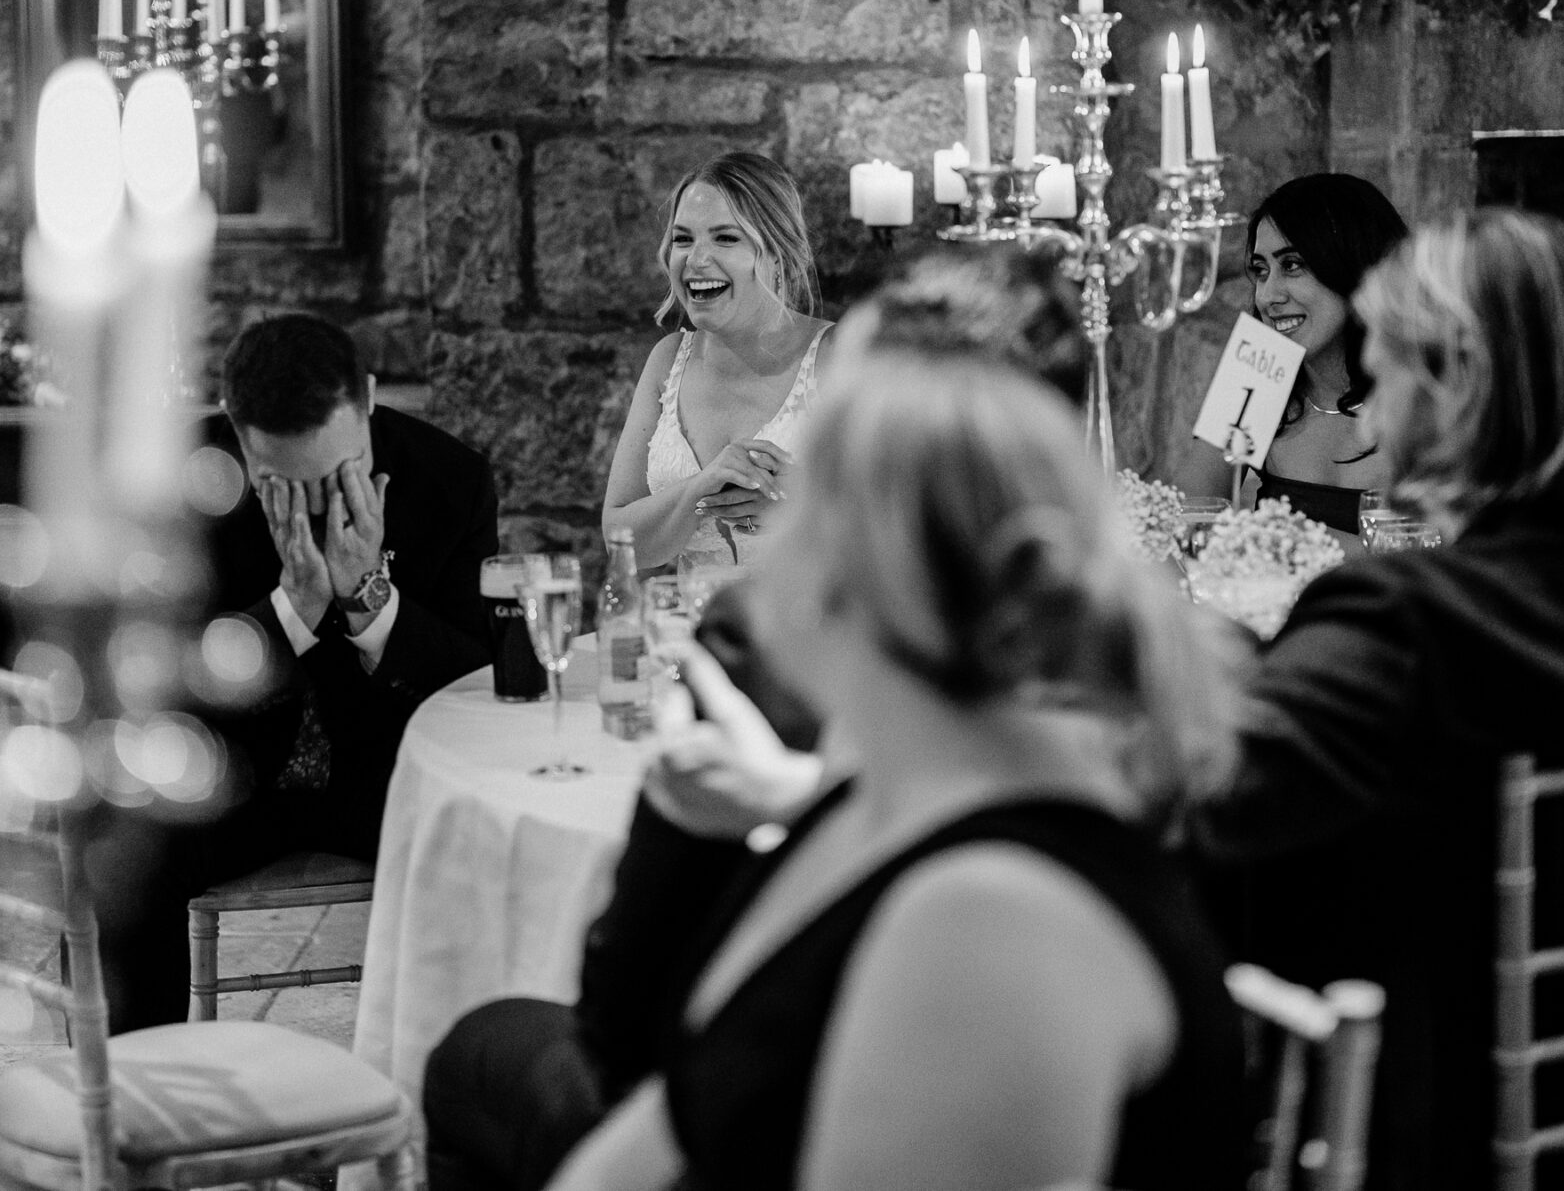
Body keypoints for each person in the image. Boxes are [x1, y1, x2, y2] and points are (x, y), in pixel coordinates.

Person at [425, 245, 1102, 1191]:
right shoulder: (1119, 673)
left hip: (770, 1128)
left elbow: (634, 1031)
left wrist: (783, 810)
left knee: (475, 1057)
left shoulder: (773, 651)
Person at [1191, 209, 1564, 1191]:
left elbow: (1212, 806)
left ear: (1454, 386)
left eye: (1384, 378)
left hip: (1428, 1137)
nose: (1375, 424)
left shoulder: (1410, 624)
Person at [547, 354, 1247, 1191]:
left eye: (796, 522)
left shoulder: (992, 920)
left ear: (853, 583)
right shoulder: (884, 790)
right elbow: (686, 1089)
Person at [102, 313, 499, 1031]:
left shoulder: (451, 480)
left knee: (483, 842)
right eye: (283, 482)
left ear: (369, 399)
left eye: (339, 473)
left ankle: (446, 1074)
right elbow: (160, 691)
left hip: (382, 777)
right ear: (239, 435)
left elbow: (473, 680)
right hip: (237, 777)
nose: (317, 503)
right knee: (129, 854)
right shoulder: (185, 487)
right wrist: (293, 608)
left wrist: (370, 600)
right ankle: (135, 1088)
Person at [604, 152, 831, 570]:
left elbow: (905, 530)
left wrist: (797, 506)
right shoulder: (669, 358)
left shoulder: (838, 358)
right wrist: (698, 490)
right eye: (683, 239)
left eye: (725, 238)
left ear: (777, 255)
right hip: (687, 627)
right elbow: (623, 545)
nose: (695, 259)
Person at [1178, 172, 1408, 537]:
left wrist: (1281, 542)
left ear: (1353, 265)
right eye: (1260, 271)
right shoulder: (1258, 374)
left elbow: (1445, 556)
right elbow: (1189, 519)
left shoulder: (1424, 395)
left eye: (1292, 265)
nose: (1267, 297)